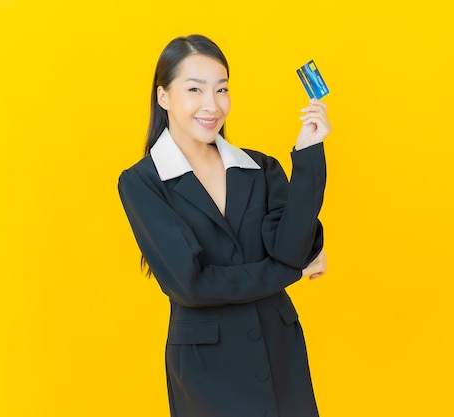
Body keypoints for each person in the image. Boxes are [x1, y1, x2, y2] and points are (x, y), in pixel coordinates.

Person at [118, 34, 330, 417]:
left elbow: (293, 250)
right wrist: (289, 272)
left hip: (278, 348)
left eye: (222, 89)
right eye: (194, 89)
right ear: (163, 96)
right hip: (209, 369)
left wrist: (308, 156)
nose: (211, 105)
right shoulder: (142, 182)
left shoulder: (259, 168)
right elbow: (192, 283)